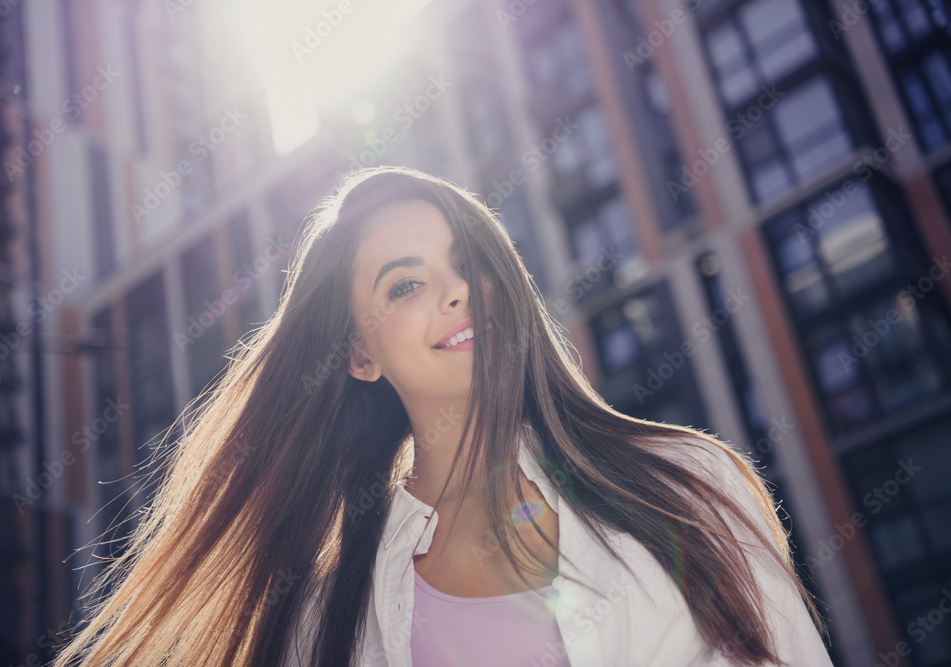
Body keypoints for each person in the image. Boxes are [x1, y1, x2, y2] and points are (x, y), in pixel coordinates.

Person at [49, 166, 835, 666]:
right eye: (405, 285)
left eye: (468, 263)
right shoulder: (325, 616)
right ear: (360, 354)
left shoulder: (687, 486)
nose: (459, 291)